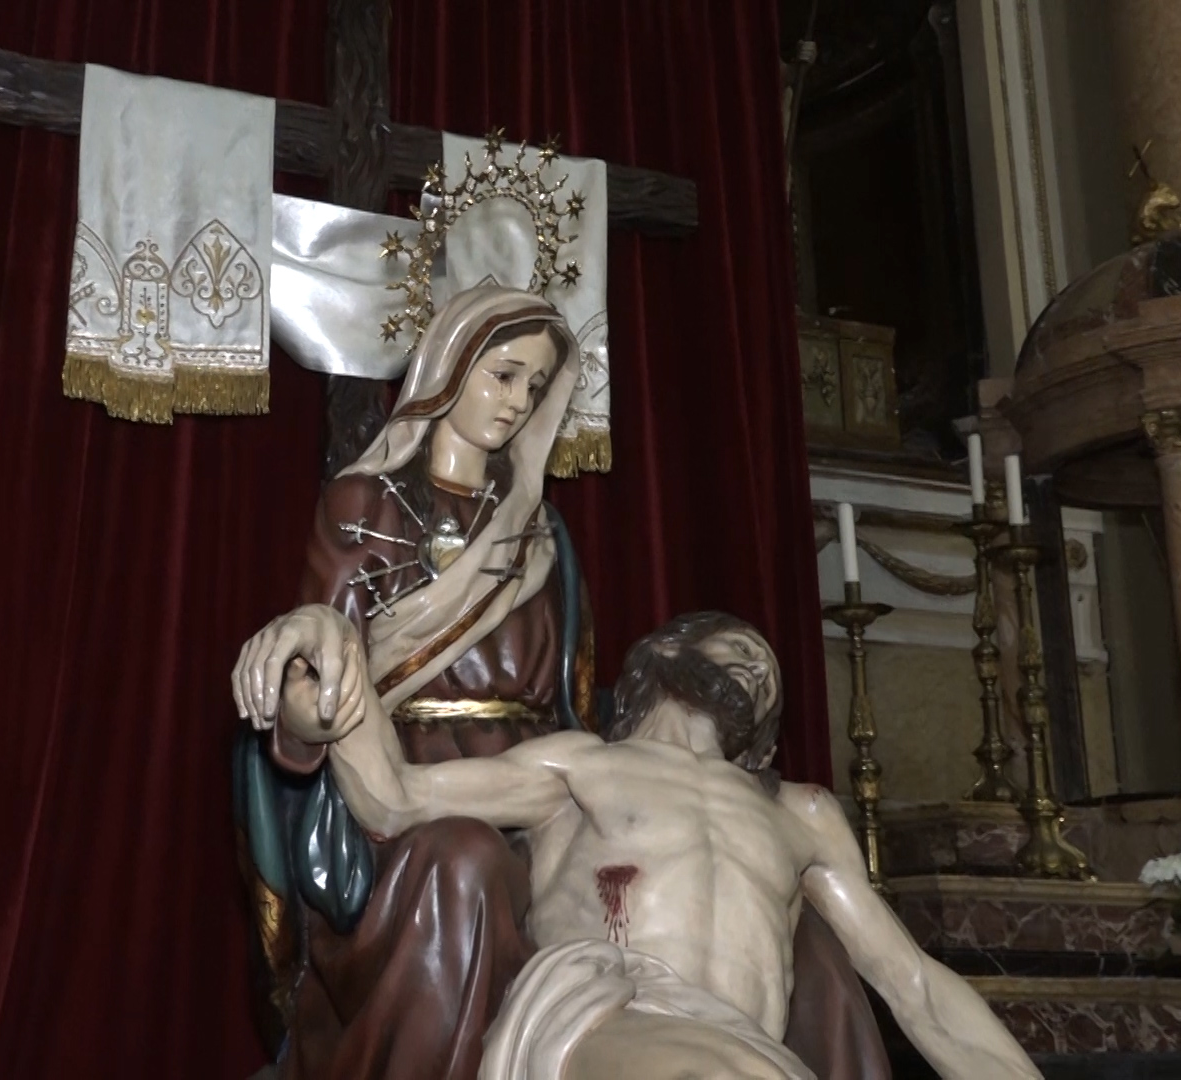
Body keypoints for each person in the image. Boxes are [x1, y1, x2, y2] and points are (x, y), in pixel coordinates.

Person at [230, 285, 887, 1079]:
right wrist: (312, 706)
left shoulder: (539, 533)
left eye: (535, 386)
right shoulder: (363, 506)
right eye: (503, 375)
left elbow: (576, 707)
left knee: (799, 925)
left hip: (535, 789)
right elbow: (319, 673)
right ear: (449, 366)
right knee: (467, 859)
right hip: (403, 786)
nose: (517, 402)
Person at [271, 609, 1041, 1080]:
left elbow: (915, 985)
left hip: (743, 1044)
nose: (759, 665)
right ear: (666, 653)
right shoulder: (581, 766)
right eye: (735, 647)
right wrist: (331, 661)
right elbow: (395, 798)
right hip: (609, 1020)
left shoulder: (800, 812)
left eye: (768, 672)